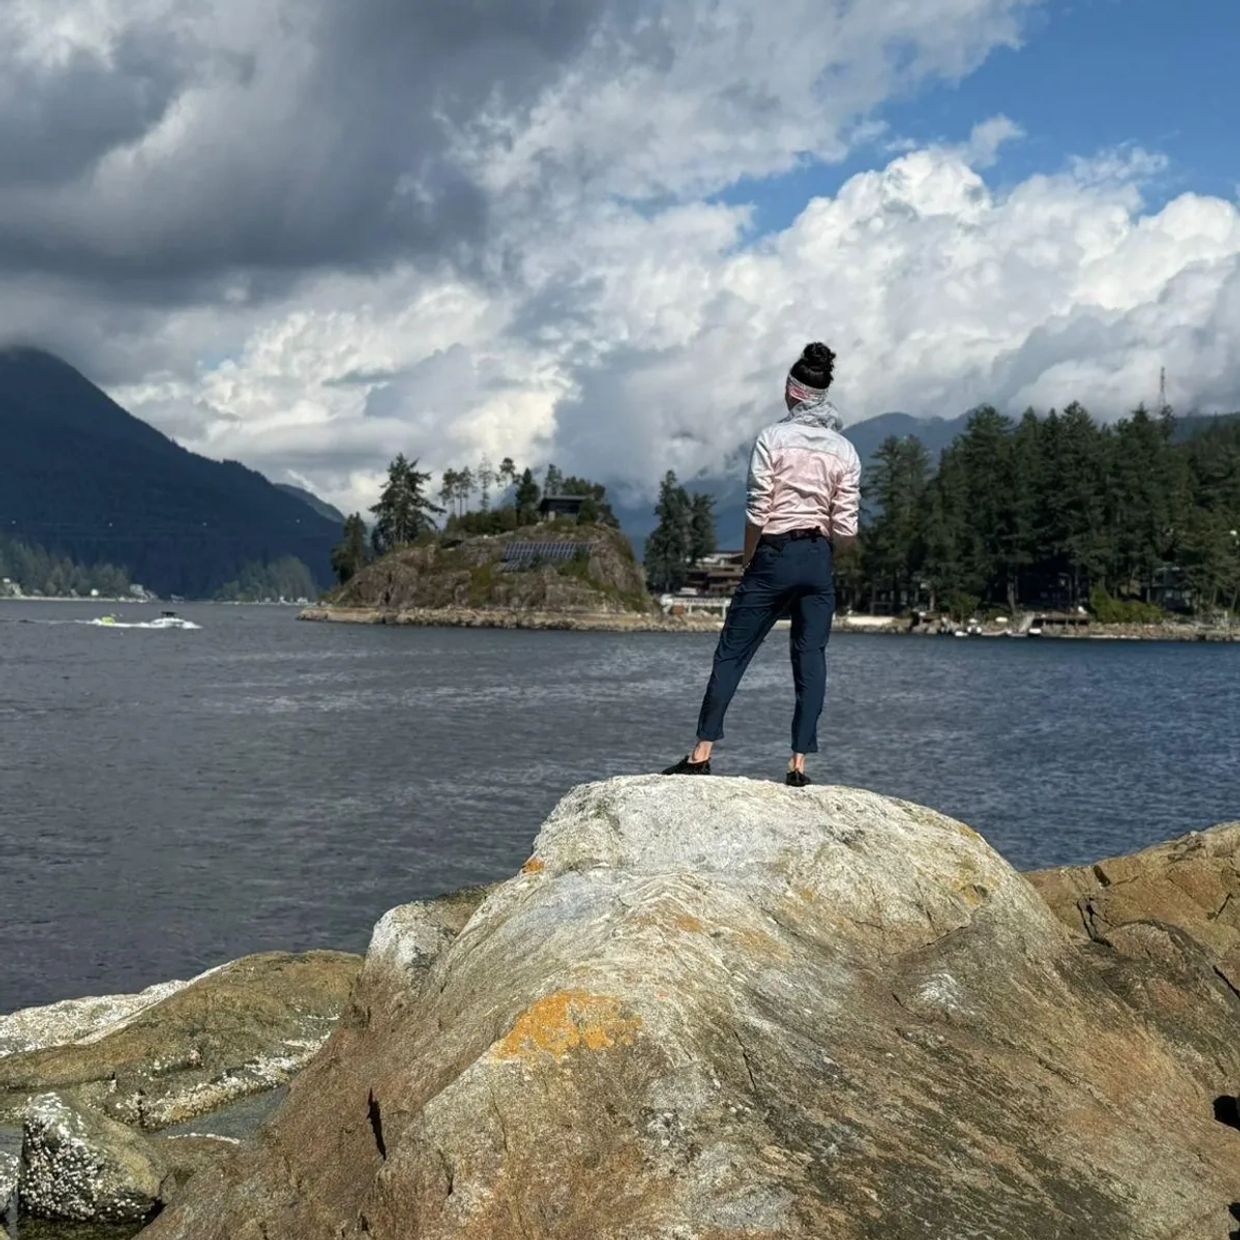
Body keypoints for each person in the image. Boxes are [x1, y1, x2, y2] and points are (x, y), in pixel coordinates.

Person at [662, 342, 860, 786]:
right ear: (824, 396)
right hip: (818, 558)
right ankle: (798, 766)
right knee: (811, 659)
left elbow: (757, 511)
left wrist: (751, 557)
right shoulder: (846, 451)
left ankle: (701, 753)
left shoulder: (772, 439)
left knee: (733, 652)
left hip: (774, 554)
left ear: (792, 393)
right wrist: (828, 554)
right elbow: (846, 528)